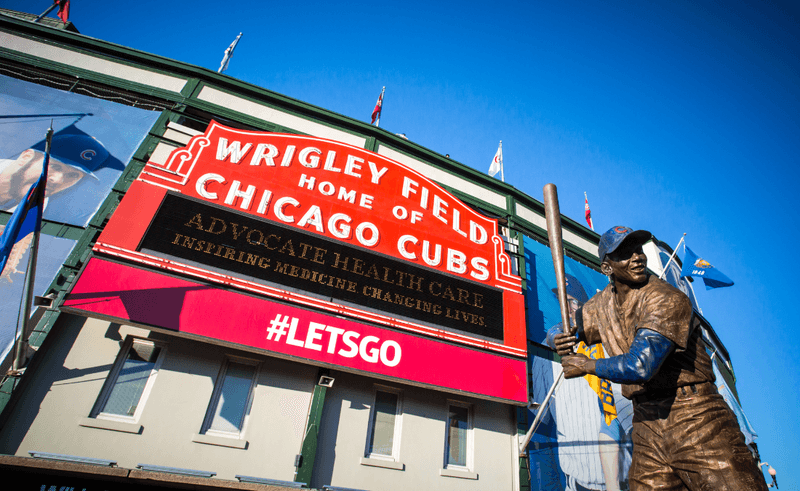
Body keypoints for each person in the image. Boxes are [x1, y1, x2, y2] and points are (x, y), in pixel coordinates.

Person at [553, 225, 767, 491]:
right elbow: (562, 328)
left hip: (696, 416)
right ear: (607, 268)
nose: (637, 256)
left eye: (638, 249)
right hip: (646, 424)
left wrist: (587, 365)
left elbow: (641, 366)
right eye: (625, 252)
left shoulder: (665, 298)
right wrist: (559, 339)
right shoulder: (602, 304)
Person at [545, 274, 631, 491]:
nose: (568, 308)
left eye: (572, 301)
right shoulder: (560, 337)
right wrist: (557, 340)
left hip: (626, 482)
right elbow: (554, 334)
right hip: (577, 483)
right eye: (563, 302)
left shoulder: (607, 336)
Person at [0, 128, 109, 282]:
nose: (57, 180)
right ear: (26, 157)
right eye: (55, 166)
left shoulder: (38, 208)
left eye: (72, 175)